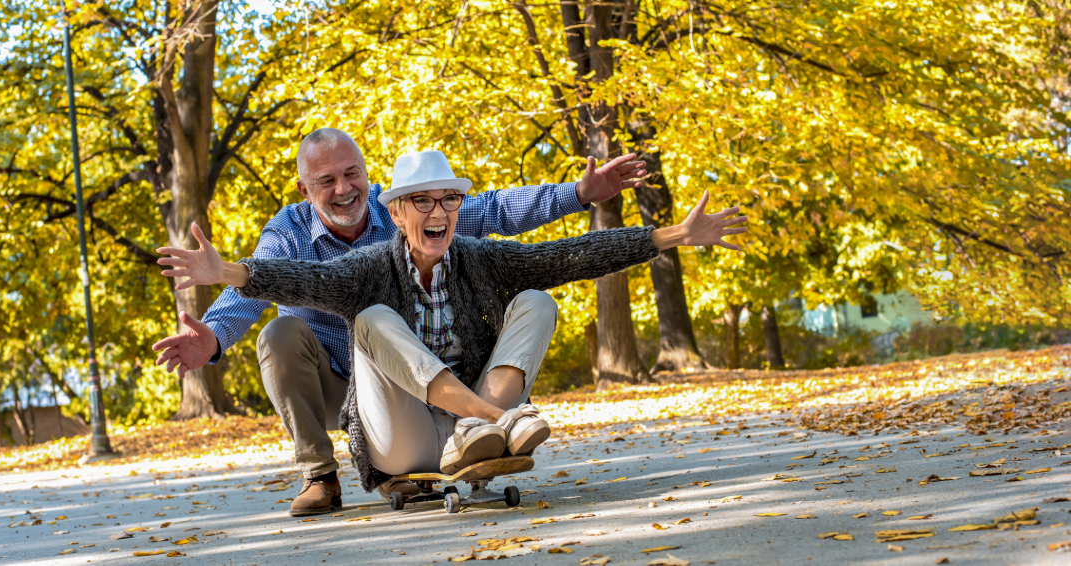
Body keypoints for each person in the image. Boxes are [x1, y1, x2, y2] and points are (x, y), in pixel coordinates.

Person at [155, 150, 748, 510]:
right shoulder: (358, 261)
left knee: (538, 298)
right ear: (398, 210)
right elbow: (300, 281)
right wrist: (228, 278)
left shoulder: (475, 253)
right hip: (392, 422)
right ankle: (487, 427)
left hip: (463, 418)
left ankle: (480, 427)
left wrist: (668, 235)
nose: (436, 212)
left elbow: (568, 253)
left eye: (447, 201)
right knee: (369, 318)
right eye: (421, 202)